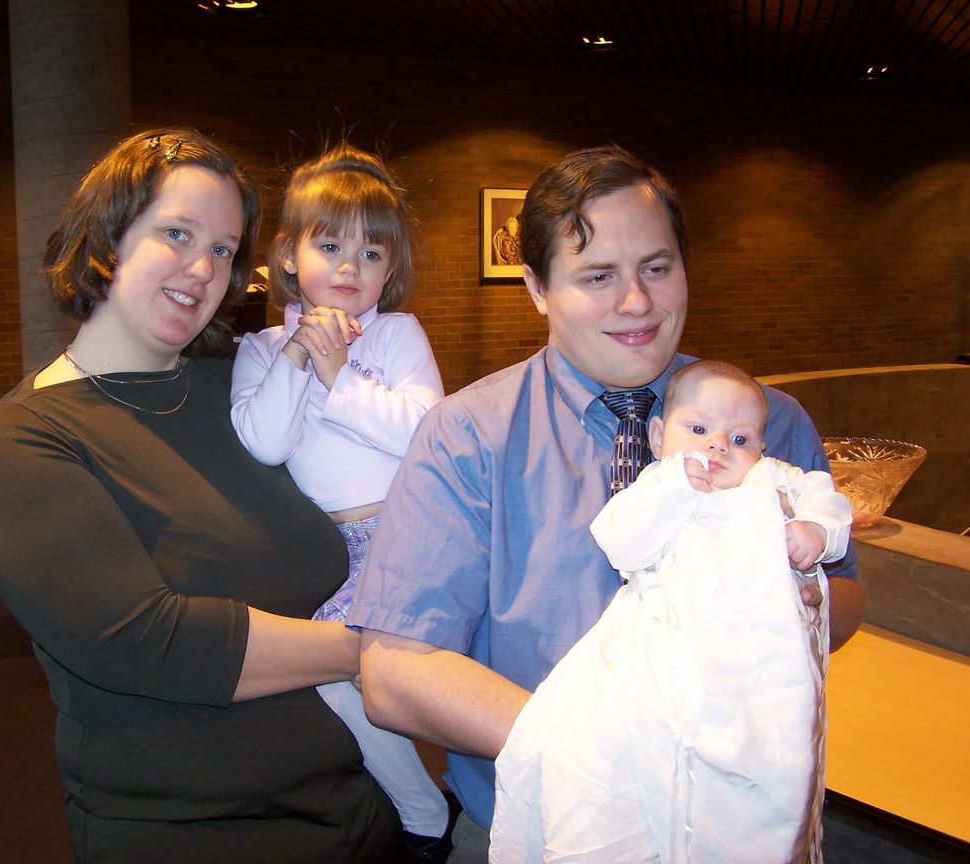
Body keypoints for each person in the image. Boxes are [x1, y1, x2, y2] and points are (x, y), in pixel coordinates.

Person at [349, 145, 865, 862]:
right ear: (537, 287)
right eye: (598, 276)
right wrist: (602, 758)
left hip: (733, 832)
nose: (637, 303)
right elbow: (395, 675)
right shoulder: (468, 437)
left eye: (657, 267)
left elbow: (844, 598)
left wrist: (795, 598)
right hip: (534, 829)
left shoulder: (764, 423)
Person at [0, 129, 400, 863]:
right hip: (192, 833)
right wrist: (380, 647)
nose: (203, 269)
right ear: (109, 237)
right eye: (176, 234)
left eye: (224, 249)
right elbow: (151, 643)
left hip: (356, 808)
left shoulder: (249, 385)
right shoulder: (22, 437)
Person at [491, 359, 852, 863]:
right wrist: (672, 489)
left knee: (771, 776)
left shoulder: (772, 483)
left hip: (756, 664)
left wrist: (815, 530)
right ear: (659, 436)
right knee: (632, 767)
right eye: (698, 430)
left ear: (762, 450)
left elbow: (830, 502)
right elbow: (620, 543)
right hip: (664, 649)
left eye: (740, 439)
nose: (718, 446)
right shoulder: (657, 486)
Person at [229, 143, 453, 860]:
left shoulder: (395, 334)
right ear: (289, 256)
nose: (351, 268)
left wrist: (340, 376)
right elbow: (265, 442)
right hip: (330, 551)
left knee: (350, 675)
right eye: (330, 247)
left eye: (371, 253)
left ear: (392, 268)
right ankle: (420, 808)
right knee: (331, 680)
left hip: (409, 531)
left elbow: (424, 433)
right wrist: (299, 355)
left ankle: (426, 817)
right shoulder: (263, 349)